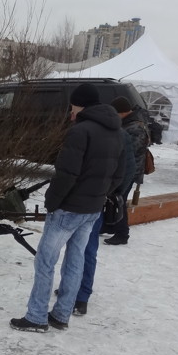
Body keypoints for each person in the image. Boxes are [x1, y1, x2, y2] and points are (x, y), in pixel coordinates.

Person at [10, 83, 124, 332]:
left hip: (69, 208)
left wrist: (52, 202)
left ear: (79, 104)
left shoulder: (80, 131)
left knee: (45, 261)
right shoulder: (116, 131)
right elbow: (120, 172)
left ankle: (37, 316)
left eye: (71, 106)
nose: (70, 111)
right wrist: (101, 193)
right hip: (93, 209)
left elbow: (66, 174)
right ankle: (61, 314)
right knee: (75, 260)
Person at [72, 100, 137, 316]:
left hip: (97, 202)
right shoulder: (88, 130)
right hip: (81, 201)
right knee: (76, 248)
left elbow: (126, 170)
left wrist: (110, 194)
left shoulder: (120, 134)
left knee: (87, 249)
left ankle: (82, 296)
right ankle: (72, 287)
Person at [103, 96, 150, 246]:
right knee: (112, 199)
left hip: (129, 172)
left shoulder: (135, 127)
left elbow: (130, 151)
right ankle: (109, 225)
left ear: (122, 112)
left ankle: (122, 233)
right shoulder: (128, 124)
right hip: (124, 170)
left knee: (119, 201)